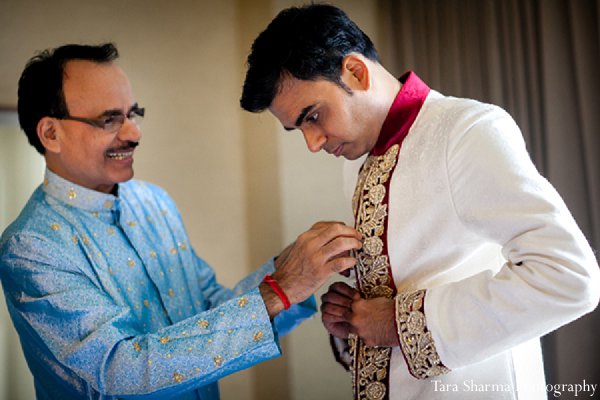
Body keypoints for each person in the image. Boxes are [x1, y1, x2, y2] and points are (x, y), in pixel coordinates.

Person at [240, 4, 600, 399]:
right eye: (298, 129)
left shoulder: (466, 131)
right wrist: (355, 319)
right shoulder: (358, 162)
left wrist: (399, 323)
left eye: (313, 116)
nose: (312, 143)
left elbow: (569, 276)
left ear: (356, 73)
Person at [0, 42, 363, 400]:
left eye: (133, 113)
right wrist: (278, 289)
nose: (133, 133)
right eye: (110, 119)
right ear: (51, 133)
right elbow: (119, 369)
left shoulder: (153, 202)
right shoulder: (30, 247)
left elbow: (209, 310)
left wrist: (300, 265)